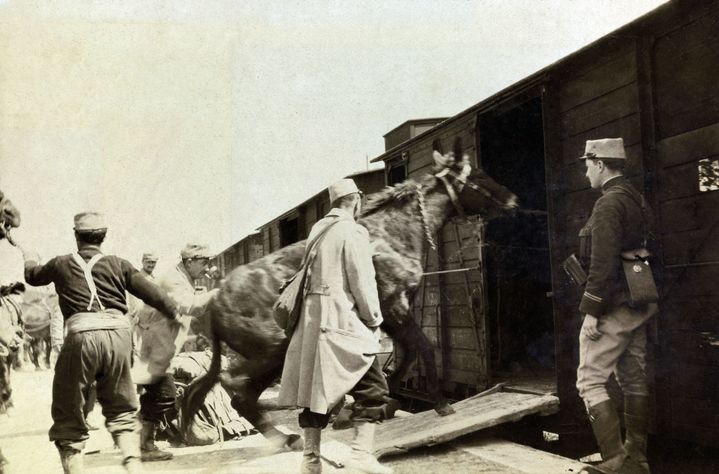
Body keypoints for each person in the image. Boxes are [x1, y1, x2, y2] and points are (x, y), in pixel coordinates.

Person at [16, 211, 180, 473]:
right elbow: (157, 297)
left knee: (69, 410)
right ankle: (133, 466)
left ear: (76, 235)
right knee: (122, 407)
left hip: (82, 338)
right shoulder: (119, 264)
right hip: (118, 339)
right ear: (103, 236)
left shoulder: (60, 263)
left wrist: (30, 256)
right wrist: (174, 312)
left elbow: (33, 276)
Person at [278, 179, 392, 474]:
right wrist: (374, 320)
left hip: (312, 325)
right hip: (342, 322)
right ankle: (361, 455)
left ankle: (310, 460)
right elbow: (363, 283)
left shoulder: (317, 230)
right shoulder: (353, 231)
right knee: (374, 388)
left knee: (317, 392)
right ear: (356, 200)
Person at [575, 139, 658, 474]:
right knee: (632, 379)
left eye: (586, 166)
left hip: (615, 305)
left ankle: (615, 464)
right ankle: (637, 458)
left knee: (590, 380)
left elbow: (603, 263)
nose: (585, 173)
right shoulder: (637, 200)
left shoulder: (608, 204)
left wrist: (591, 311)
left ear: (598, 164)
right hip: (640, 302)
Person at [132, 243, 218, 461]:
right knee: (165, 395)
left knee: (157, 395)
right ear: (189, 261)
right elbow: (192, 307)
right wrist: (218, 291)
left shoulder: (184, 278)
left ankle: (143, 442)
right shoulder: (173, 279)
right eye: (203, 261)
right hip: (151, 345)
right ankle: (143, 445)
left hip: (158, 345)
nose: (207, 266)